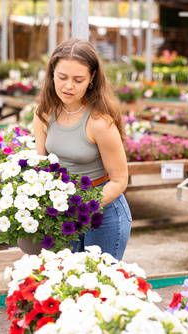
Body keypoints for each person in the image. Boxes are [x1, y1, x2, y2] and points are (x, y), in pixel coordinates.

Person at [33, 39, 132, 260]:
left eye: (78, 80)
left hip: (104, 213)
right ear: (52, 74)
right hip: (62, 211)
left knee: (97, 286)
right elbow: (41, 166)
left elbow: (119, 181)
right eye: (62, 77)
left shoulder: (99, 122)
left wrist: (83, 208)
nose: (68, 86)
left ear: (92, 78)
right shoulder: (44, 112)